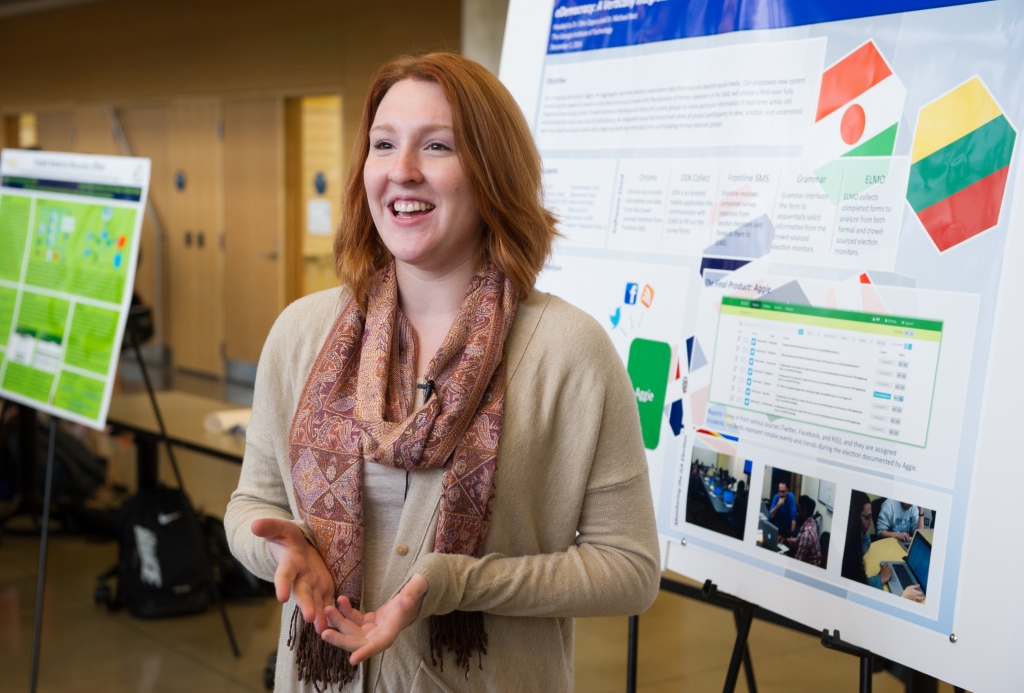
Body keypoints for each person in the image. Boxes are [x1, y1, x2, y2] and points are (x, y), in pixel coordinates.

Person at [224, 53, 661, 693]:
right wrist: (279, 550)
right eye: (383, 144)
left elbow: (630, 569)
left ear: (491, 172)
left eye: (436, 146)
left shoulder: (569, 350)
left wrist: (457, 583)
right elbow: (250, 505)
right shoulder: (302, 333)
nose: (402, 171)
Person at [841, 491, 923, 602]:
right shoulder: (848, 555)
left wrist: (921, 512)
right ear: (853, 519)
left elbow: (919, 533)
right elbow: (861, 593)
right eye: (868, 517)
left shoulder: (857, 545)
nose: (870, 523)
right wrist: (901, 599)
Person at [780, 495, 822, 567]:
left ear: (804, 511)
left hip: (811, 568)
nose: (797, 513)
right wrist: (785, 540)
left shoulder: (806, 535)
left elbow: (797, 563)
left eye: (798, 511)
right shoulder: (810, 521)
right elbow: (797, 540)